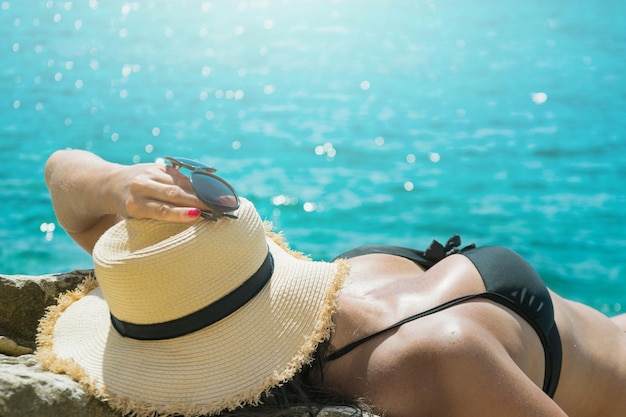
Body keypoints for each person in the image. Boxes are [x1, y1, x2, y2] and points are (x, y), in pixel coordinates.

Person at [38, 149, 626, 417]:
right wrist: (114, 183)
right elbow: (63, 178)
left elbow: (63, 173)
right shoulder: (205, 274)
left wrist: (122, 183)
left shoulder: (436, 362)